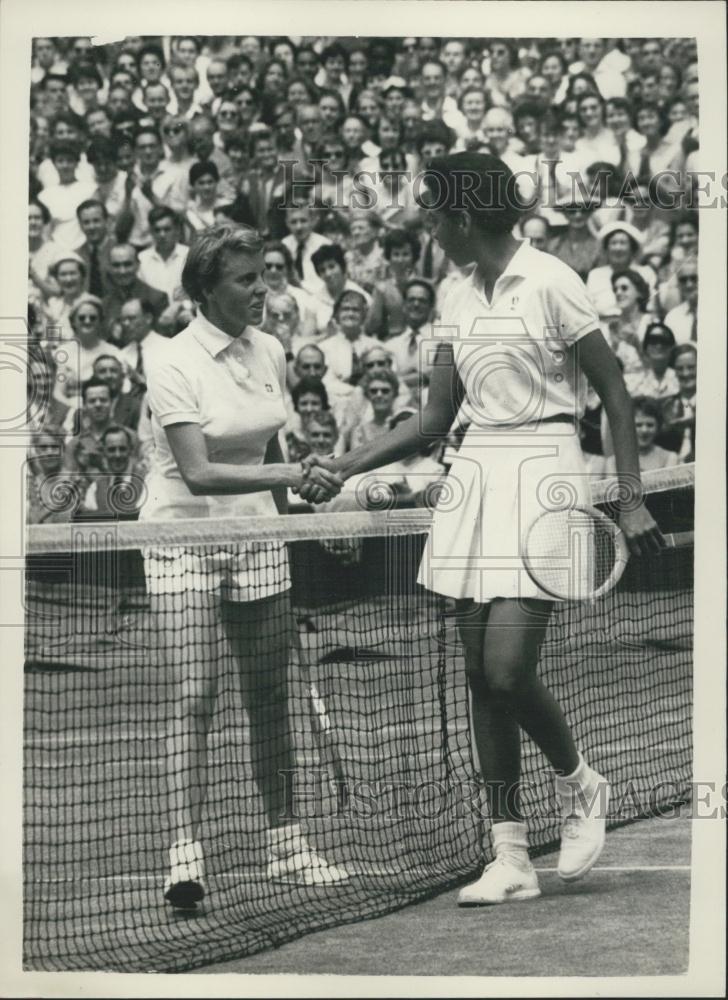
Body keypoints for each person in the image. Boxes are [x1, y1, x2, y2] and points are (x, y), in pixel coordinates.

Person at [300, 152, 664, 905]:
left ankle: (580, 782)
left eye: (433, 217)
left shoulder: (554, 280)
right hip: (474, 478)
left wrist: (629, 499)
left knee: (506, 668)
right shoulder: (456, 298)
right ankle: (509, 855)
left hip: (545, 473)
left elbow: (616, 397)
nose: (429, 231)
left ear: (462, 218)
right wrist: (346, 464)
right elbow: (435, 419)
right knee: (478, 677)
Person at [139, 224, 348, 909]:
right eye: (244, 279)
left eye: (263, 274)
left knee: (268, 698)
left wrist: (302, 513)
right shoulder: (168, 358)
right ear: (204, 289)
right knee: (196, 695)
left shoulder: (272, 349)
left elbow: (269, 440)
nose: (261, 289)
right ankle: (184, 853)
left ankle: (286, 843)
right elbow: (198, 472)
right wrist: (293, 472)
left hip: (258, 535)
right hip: (183, 537)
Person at [604, 397, 678, 475]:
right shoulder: (613, 462)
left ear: (658, 427)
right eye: (638, 425)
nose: (644, 430)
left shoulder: (669, 458)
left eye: (650, 425)